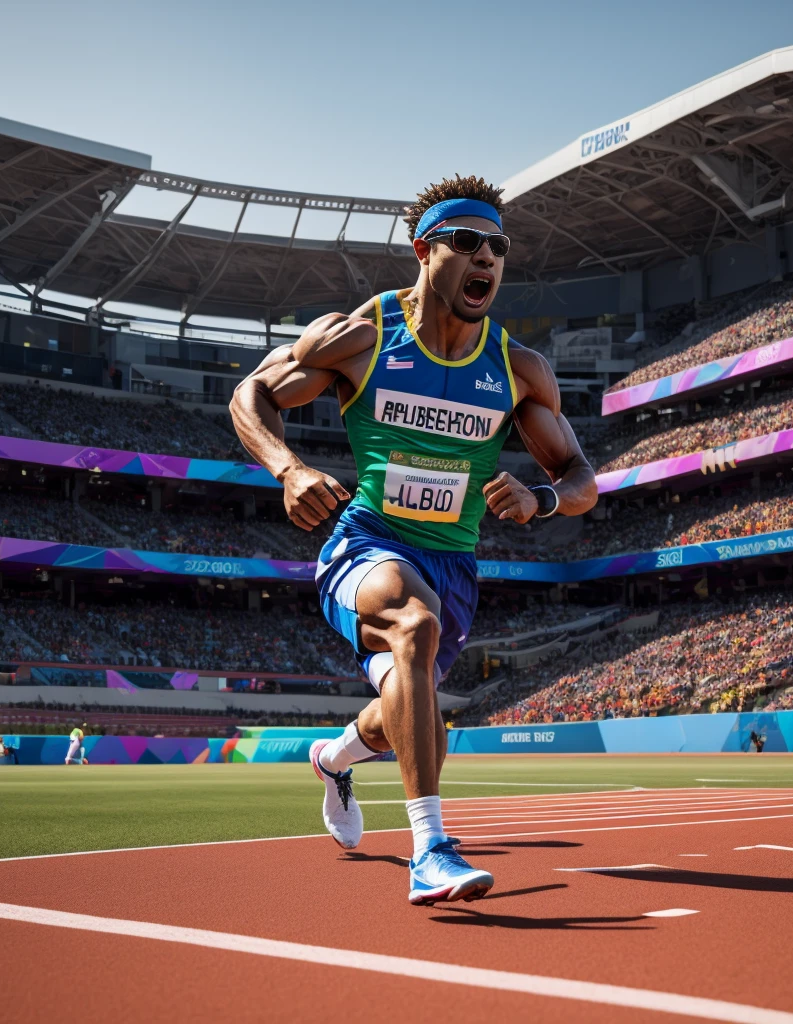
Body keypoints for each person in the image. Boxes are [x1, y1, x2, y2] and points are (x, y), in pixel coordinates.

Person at [232, 175, 597, 906]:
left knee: (410, 707)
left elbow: (582, 478)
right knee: (413, 623)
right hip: (365, 543)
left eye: (498, 247)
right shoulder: (362, 336)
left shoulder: (518, 369)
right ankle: (430, 850)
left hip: (453, 564)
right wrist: (289, 469)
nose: (486, 258)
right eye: (468, 243)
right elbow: (252, 394)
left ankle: (334, 758)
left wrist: (542, 496)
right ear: (425, 250)